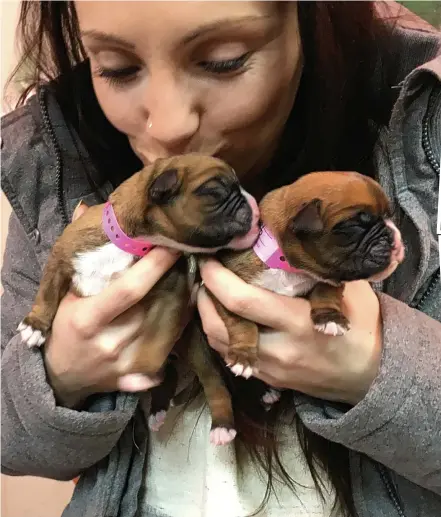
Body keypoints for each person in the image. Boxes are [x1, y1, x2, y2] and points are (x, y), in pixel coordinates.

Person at [1, 1, 440, 516]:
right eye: (117, 68)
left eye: (224, 60)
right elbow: (10, 443)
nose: (167, 126)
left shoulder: (422, 128)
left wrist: (384, 372)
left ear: (311, 22)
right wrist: (59, 374)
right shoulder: (58, 160)